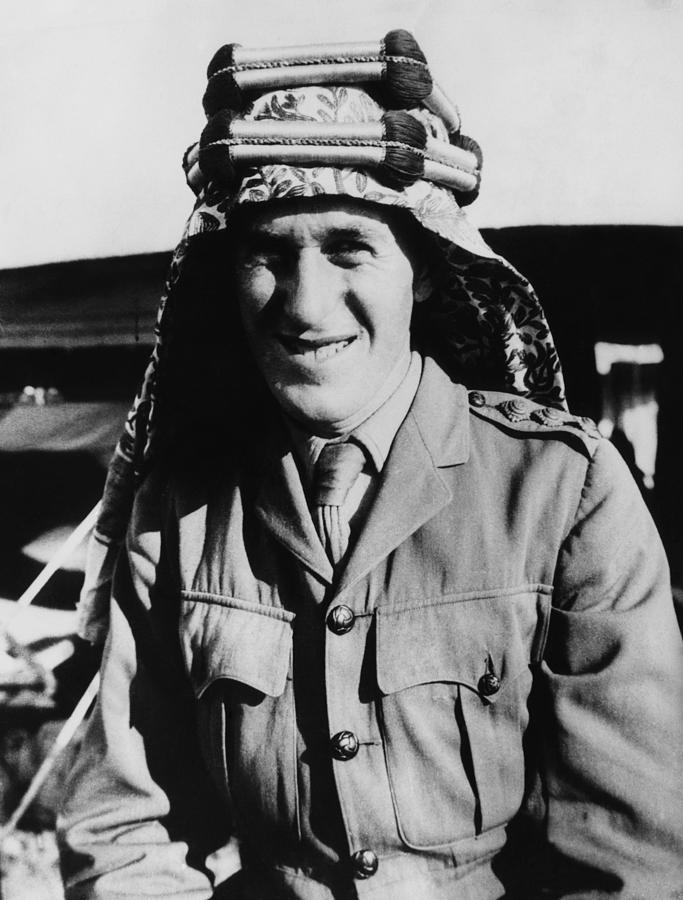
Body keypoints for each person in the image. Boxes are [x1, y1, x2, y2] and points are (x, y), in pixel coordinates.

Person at [57, 32, 683, 900]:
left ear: (422, 270)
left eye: (350, 248)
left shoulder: (561, 493)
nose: (306, 306)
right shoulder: (179, 515)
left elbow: (626, 858)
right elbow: (126, 833)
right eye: (268, 255)